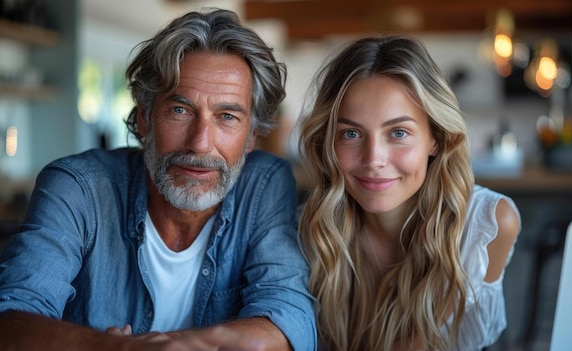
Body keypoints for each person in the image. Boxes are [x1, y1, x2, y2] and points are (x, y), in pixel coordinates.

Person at [0, 8, 316, 351]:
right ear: (144, 119)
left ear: (251, 136)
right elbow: (12, 320)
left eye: (227, 116)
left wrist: (165, 345)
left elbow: (288, 318)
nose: (200, 143)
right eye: (180, 110)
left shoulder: (266, 183)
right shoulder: (77, 188)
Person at [296, 35, 521, 351]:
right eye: (351, 133)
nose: (374, 160)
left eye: (398, 133)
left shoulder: (483, 227)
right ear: (328, 142)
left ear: (436, 138)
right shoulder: (312, 231)